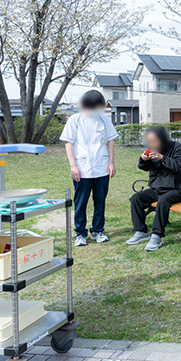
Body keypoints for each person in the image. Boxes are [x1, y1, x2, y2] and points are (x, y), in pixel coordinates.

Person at [60, 90, 118, 247]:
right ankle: (80, 233)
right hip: (82, 168)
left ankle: (98, 230)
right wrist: (73, 166)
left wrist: (111, 163)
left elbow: (111, 141)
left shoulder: (104, 120)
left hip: (101, 167)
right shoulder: (75, 120)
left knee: (100, 201)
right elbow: (68, 142)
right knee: (81, 202)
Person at [127, 126, 181, 252]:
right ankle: (141, 232)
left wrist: (161, 158)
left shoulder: (177, 148)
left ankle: (156, 236)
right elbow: (144, 167)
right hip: (156, 189)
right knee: (136, 198)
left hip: (175, 189)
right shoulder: (152, 149)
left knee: (163, 200)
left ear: (163, 139)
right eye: (150, 141)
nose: (152, 144)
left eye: (154, 141)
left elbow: (178, 167)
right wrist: (143, 160)